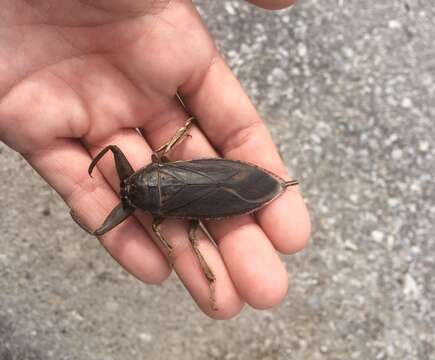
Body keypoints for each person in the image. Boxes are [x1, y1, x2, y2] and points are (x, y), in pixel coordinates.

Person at [0, 0, 310, 319]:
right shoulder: (158, 168)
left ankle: (225, 262)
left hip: (222, 192)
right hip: (230, 181)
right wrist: (184, 129)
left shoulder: (158, 212)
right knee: (193, 237)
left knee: (192, 236)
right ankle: (217, 275)